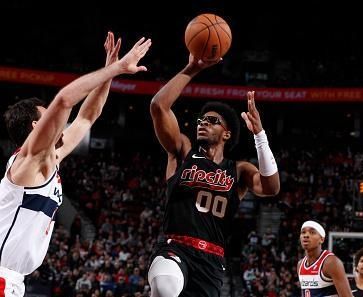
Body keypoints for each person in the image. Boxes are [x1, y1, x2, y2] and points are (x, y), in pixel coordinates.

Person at [0, 32, 151, 296]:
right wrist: (118, 66)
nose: (56, 120)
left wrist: (109, 72)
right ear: (36, 127)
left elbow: (87, 117)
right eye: (48, 116)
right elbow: (64, 101)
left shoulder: (50, 158)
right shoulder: (29, 160)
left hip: (13, 280)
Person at [148, 53, 280, 297]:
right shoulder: (183, 150)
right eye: (201, 120)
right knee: (165, 287)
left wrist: (260, 135)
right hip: (175, 247)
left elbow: (271, 188)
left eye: (211, 121)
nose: (203, 123)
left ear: (226, 134)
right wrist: (191, 69)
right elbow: (158, 106)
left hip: (212, 261)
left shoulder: (239, 170)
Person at [298, 220, 353, 297]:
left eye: (312, 232)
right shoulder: (300, 264)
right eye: (303, 232)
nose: (306, 235)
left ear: (321, 239)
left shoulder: (331, 262)